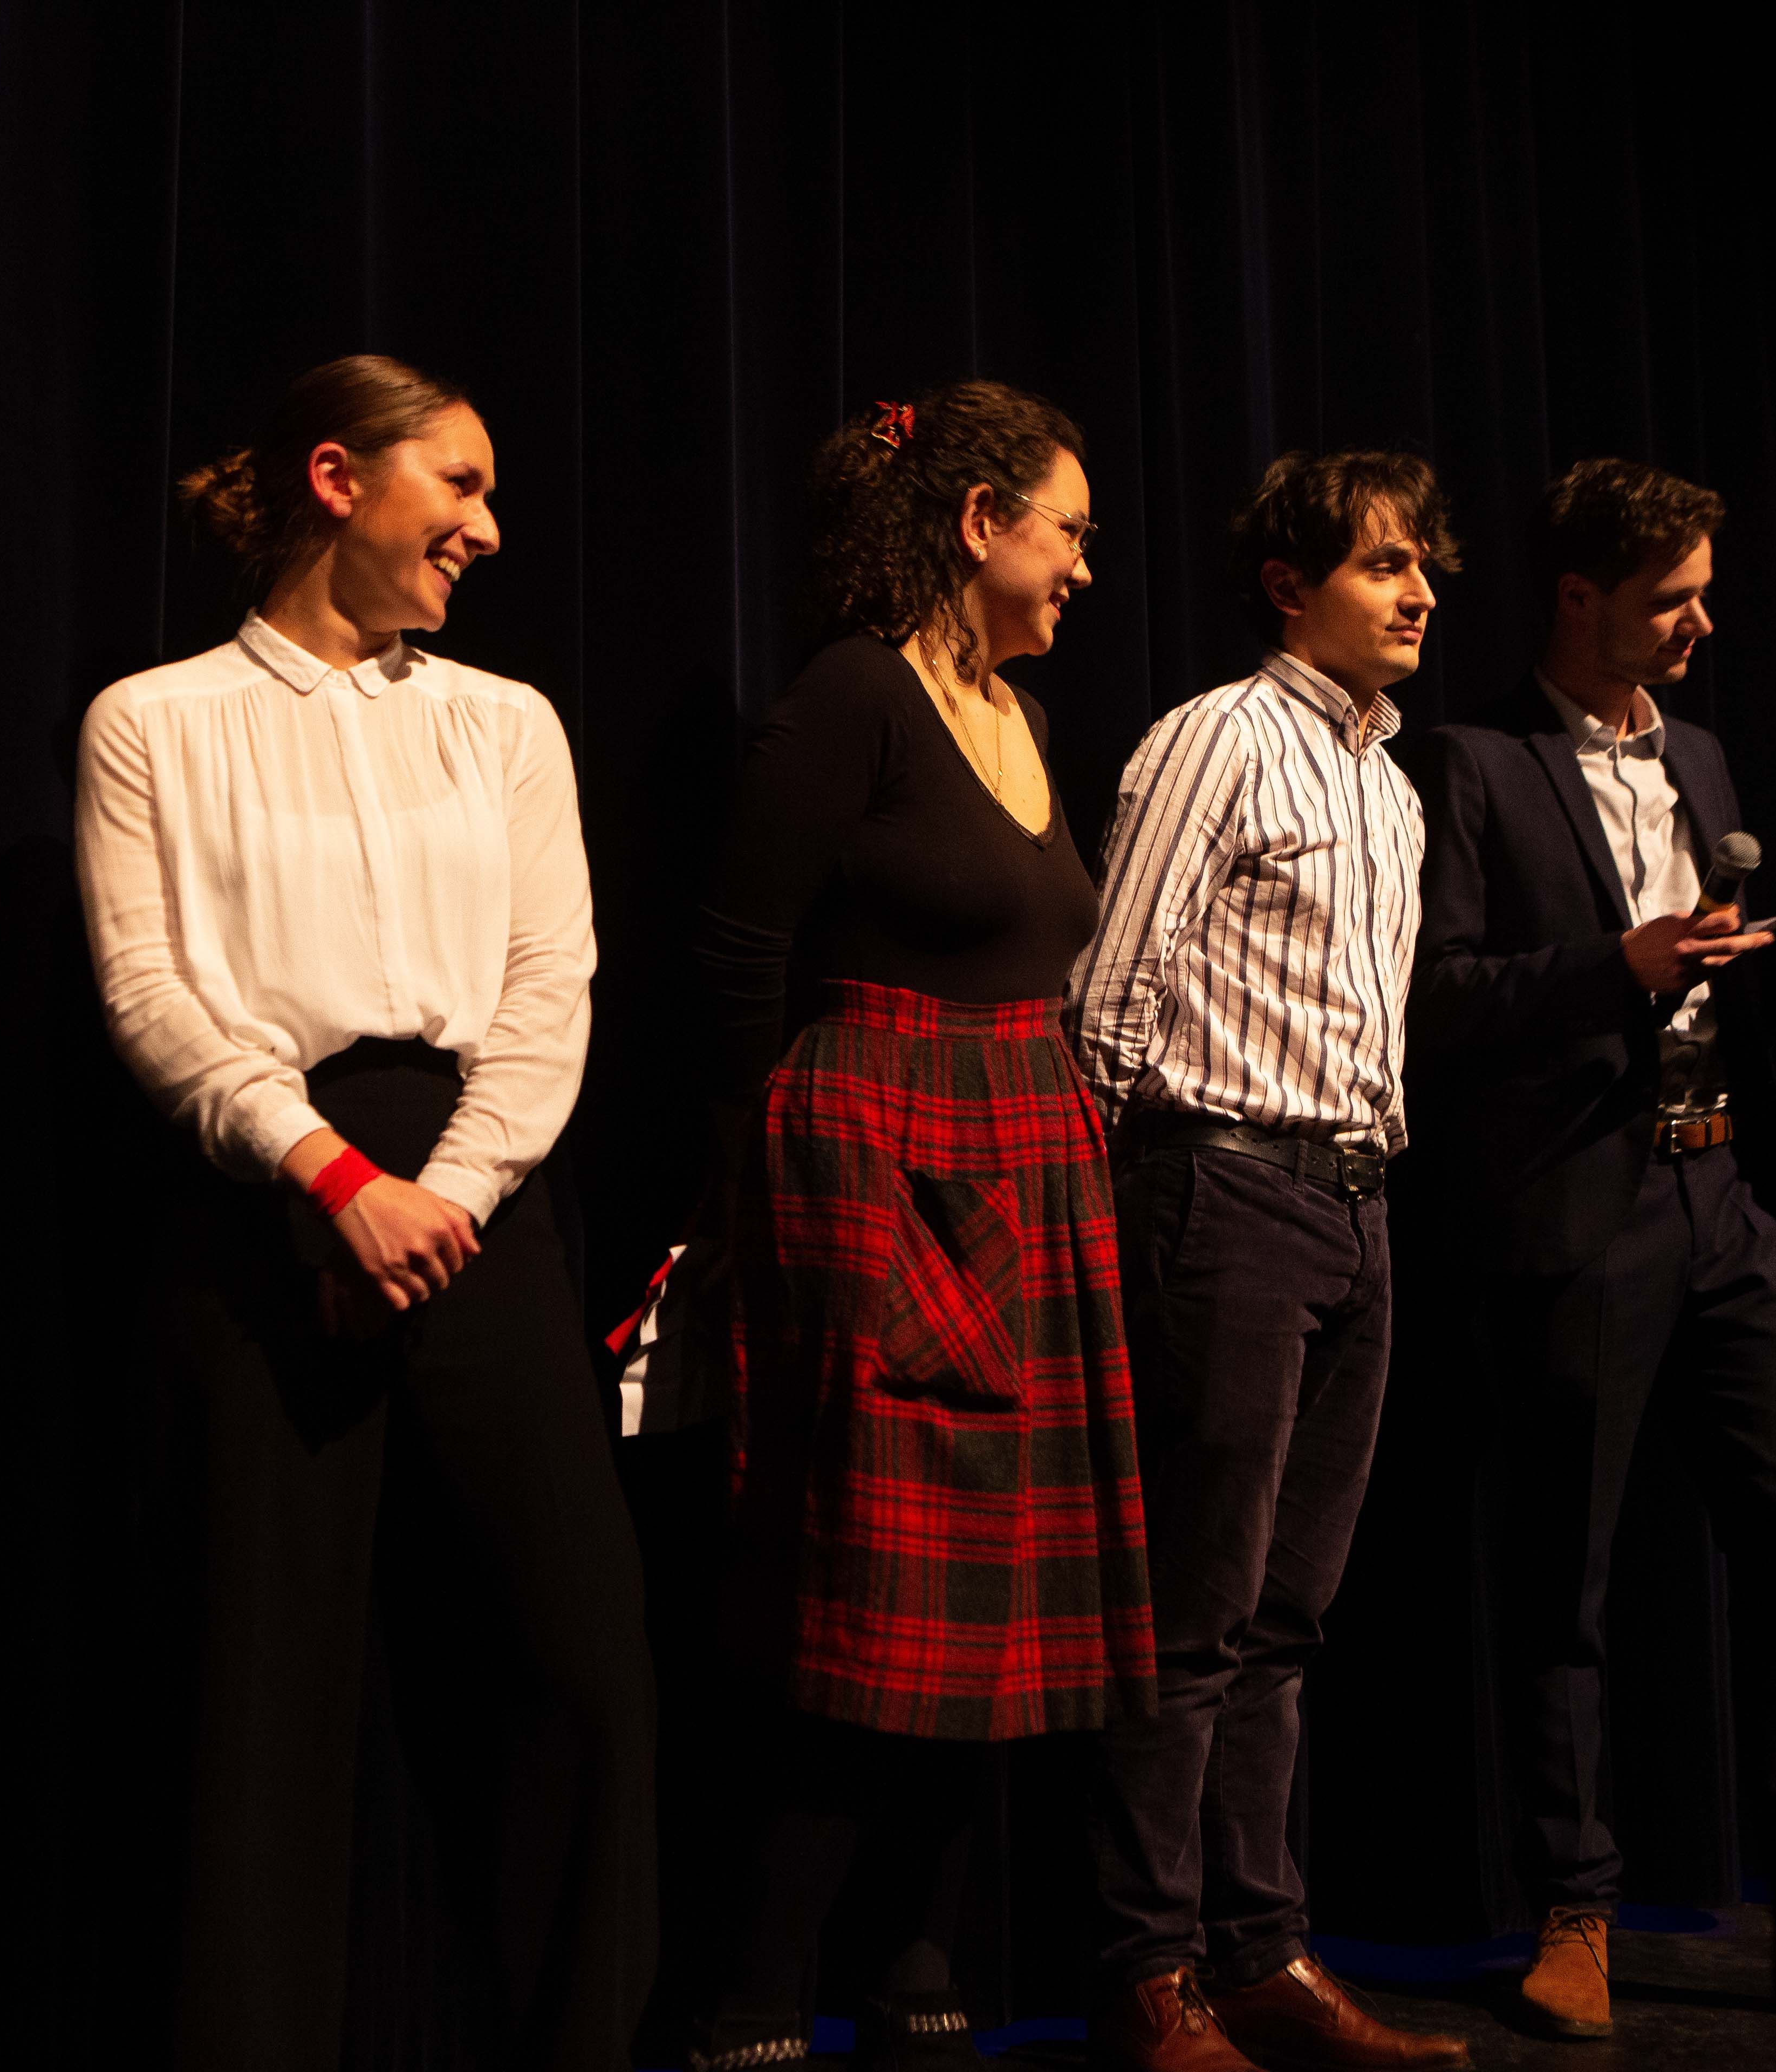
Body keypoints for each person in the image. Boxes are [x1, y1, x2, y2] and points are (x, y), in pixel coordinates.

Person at [74, 355, 655, 2070]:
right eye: (459, 484)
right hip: (266, 1203)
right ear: (339, 478)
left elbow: (549, 989)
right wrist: (328, 1176)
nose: (489, 528)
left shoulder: (507, 723)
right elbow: (152, 993)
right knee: (264, 1700)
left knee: (585, 1672)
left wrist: (443, 1195)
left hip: (477, 1194)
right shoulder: (156, 721)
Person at [1399, 458, 1776, 2041]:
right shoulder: (1473, 762)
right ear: (1579, 597)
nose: (1702, 626)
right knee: (1566, 1579)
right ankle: (1575, 1912)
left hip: (1724, 1197)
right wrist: (1619, 964)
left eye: (1703, 595)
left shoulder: (1702, 755)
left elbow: (1719, 990)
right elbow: (1436, 998)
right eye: (1671, 601)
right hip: (1579, 1209)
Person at [686, 382, 1157, 2071]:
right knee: (868, 1587)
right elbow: (739, 957)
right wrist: (777, 1185)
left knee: (996, 1598)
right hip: (883, 1156)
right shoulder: (855, 699)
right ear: (979, 524)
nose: (1085, 569)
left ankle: (915, 1958)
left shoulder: (1021, 714)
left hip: (1028, 1147)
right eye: (1069, 532)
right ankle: (757, 1992)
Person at [1065, 454, 1473, 2072]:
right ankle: (1147, 1977)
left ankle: (1260, 1956)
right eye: (1384, 564)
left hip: (1358, 1208)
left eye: (1423, 566)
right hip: (1222, 1191)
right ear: (1291, 587)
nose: (1421, 593)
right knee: (1197, 1615)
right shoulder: (1216, 739)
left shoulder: (1393, 789)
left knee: (1288, 1619)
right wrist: (1115, 1206)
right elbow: (1113, 992)